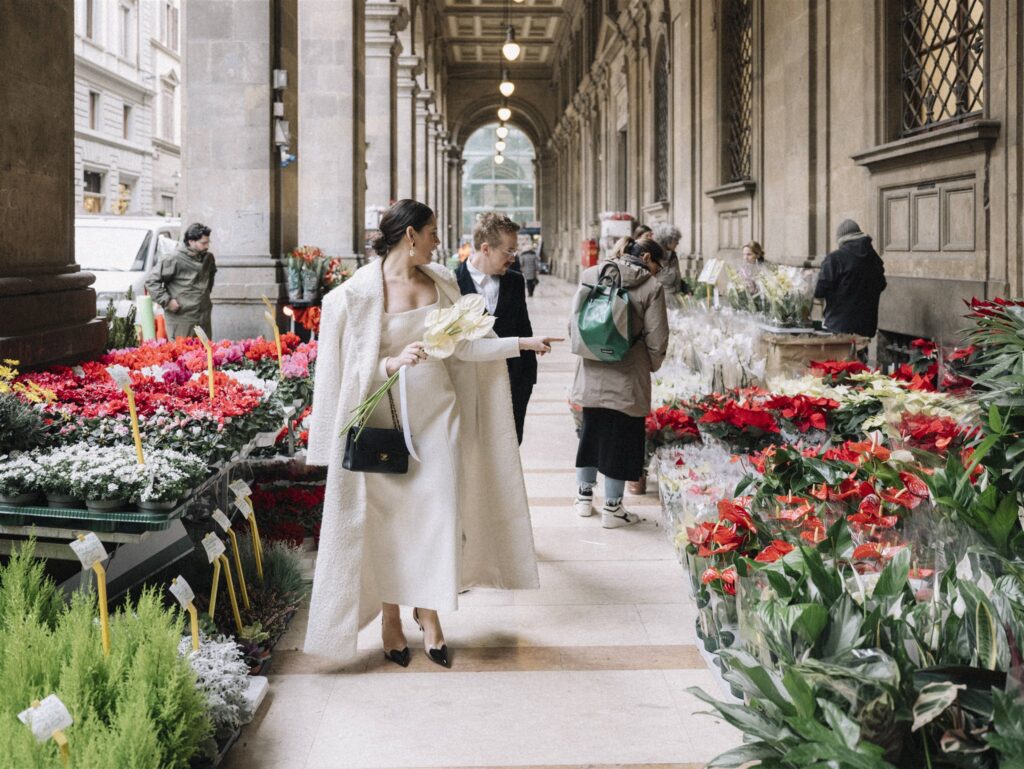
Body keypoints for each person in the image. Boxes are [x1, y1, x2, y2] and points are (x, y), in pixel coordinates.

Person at [304, 199, 558, 669]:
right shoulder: (356, 295)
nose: (440, 241)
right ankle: (390, 619)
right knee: (387, 526)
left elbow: (463, 346)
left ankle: (432, 613)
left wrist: (521, 343)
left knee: (439, 516)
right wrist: (391, 362)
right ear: (410, 235)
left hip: (439, 416)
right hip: (385, 422)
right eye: (434, 232)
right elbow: (346, 371)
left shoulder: (440, 281)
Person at [570, 237, 669, 528]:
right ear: (647, 257)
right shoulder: (652, 287)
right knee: (621, 438)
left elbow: (573, 322)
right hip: (627, 375)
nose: (657, 271)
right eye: (657, 265)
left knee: (590, 432)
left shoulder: (592, 275)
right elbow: (657, 337)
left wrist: (587, 352)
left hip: (591, 370)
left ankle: (584, 499)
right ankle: (613, 508)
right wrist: (650, 365)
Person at [455, 212, 541, 444]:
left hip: (512, 384)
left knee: (509, 450)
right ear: (485, 248)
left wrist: (526, 381)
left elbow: (524, 328)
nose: (514, 257)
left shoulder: (515, 281)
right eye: (509, 251)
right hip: (469, 388)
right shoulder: (452, 283)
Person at [814, 219, 887, 350]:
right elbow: (882, 285)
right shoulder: (874, 259)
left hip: (839, 326)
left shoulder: (836, 258)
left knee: (839, 366)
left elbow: (819, 291)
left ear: (841, 239)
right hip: (866, 326)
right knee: (859, 366)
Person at [145, 223, 216, 339]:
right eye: (203, 243)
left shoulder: (208, 259)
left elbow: (210, 279)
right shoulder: (173, 259)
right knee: (182, 353)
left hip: (203, 316)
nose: (207, 246)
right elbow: (151, 282)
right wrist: (167, 301)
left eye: (208, 242)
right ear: (191, 241)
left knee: (205, 353)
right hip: (182, 317)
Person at [652, 223, 687, 295]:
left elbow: (675, 275)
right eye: (676, 240)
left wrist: (683, 285)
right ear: (667, 240)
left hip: (675, 298)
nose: (677, 243)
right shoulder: (655, 256)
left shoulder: (673, 256)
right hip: (661, 298)